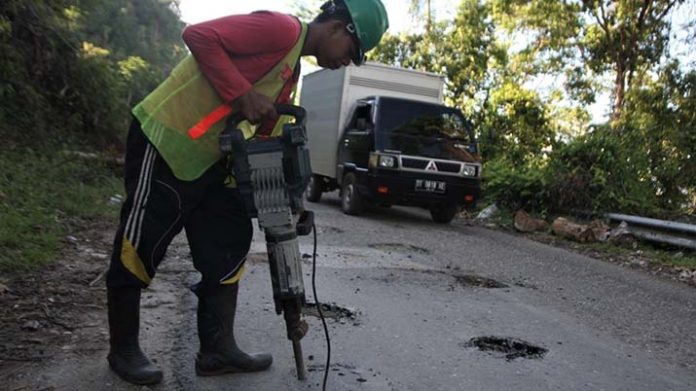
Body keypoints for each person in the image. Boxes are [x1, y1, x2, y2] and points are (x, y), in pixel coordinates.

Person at [105, 0, 388, 385]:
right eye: (352, 54)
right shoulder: (281, 29)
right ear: (340, 28)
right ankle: (123, 349)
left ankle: (217, 350)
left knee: (229, 241)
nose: (348, 62)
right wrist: (242, 94)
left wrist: (290, 201)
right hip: (169, 139)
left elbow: (265, 136)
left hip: (214, 161)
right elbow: (198, 35)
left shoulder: (292, 71)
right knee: (142, 239)